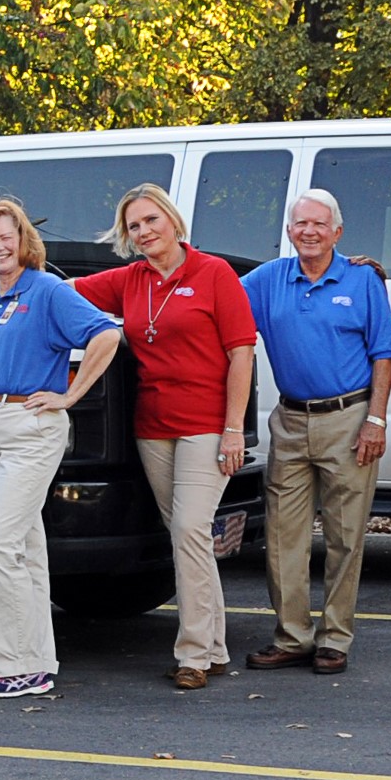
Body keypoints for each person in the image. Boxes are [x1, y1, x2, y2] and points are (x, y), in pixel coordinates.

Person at [73, 183, 257, 690]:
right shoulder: (131, 280)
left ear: (173, 222)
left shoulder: (214, 273)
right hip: (153, 429)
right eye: (134, 226)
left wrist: (232, 429)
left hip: (207, 426)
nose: (144, 231)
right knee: (189, 539)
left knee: (190, 531)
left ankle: (193, 655)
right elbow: (64, 293)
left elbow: (242, 352)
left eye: (152, 220)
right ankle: (215, 647)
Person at [0, 199, 120, 699]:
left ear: (24, 242)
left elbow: (105, 335)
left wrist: (70, 394)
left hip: (29, 428)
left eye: (6, 237)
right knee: (22, 547)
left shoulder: (46, 291)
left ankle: (14, 667)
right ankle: (37, 663)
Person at [240, 190, 391, 677]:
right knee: (283, 537)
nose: (309, 231)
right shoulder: (267, 280)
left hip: (348, 420)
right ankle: (292, 637)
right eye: (300, 223)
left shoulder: (362, 279)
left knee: (345, 535)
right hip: (289, 421)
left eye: (319, 224)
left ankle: (334, 638)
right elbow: (214, 298)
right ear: (289, 231)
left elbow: (384, 353)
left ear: (338, 232)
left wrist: (376, 419)